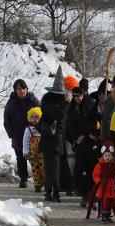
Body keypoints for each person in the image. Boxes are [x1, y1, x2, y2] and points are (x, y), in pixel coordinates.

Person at [38, 68, 71, 202]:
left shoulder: (48, 102)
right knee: (54, 167)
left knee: (51, 167)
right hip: (53, 139)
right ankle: (54, 192)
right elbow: (59, 115)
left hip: (53, 139)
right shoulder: (55, 104)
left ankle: (50, 192)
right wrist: (67, 103)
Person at [3, 78, 39, 188]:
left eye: (23, 88)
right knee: (20, 157)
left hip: (33, 135)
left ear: (27, 89)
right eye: (19, 89)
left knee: (35, 157)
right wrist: (11, 134)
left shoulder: (33, 100)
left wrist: (39, 129)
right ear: (15, 90)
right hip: (18, 135)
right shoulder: (12, 102)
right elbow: (6, 119)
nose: (22, 91)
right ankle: (23, 179)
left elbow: (41, 114)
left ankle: (39, 180)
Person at [23, 106, 44, 192]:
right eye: (32, 117)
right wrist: (26, 152)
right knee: (35, 169)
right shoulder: (28, 129)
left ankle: (47, 184)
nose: (34, 119)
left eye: (37, 117)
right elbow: (25, 141)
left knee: (44, 168)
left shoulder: (43, 128)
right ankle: (37, 185)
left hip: (42, 153)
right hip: (32, 154)